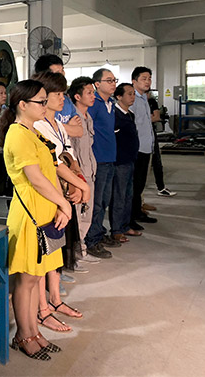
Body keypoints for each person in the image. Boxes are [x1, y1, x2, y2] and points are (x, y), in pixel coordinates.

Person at [0, 79, 71, 360]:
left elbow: (51, 170)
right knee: (26, 281)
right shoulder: (17, 134)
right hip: (30, 214)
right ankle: (23, 335)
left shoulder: (33, 132)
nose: (45, 104)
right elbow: (36, 178)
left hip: (44, 212)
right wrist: (64, 203)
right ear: (22, 105)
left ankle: (34, 332)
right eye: (40, 101)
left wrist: (60, 204)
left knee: (36, 276)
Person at [31, 71, 89, 331]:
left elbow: (68, 156)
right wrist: (76, 186)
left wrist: (78, 180)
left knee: (56, 250)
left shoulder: (56, 125)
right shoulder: (37, 127)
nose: (62, 98)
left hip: (64, 193)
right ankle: (42, 308)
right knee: (45, 253)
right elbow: (51, 166)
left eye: (62, 93)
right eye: (57, 94)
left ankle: (55, 300)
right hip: (49, 197)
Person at [85, 68, 120, 259]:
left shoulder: (111, 103)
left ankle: (99, 232)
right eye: (109, 80)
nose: (113, 83)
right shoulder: (94, 104)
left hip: (110, 158)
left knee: (105, 200)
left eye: (114, 80)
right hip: (97, 159)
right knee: (96, 203)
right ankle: (91, 240)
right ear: (97, 84)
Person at [67, 77, 100, 264]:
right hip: (79, 174)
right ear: (77, 96)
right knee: (78, 215)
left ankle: (82, 250)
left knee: (87, 213)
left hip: (90, 171)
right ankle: (74, 255)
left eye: (93, 92)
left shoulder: (88, 118)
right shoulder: (74, 120)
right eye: (89, 92)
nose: (93, 96)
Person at [110, 83, 143, 242]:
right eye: (129, 94)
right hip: (119, 162)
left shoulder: (130, 114)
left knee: (128, 195)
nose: (132, 97)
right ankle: (116, 229)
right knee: (119, 196)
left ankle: (125, 225)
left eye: (133, 94)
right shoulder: (115, 115)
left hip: (130, 160)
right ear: (119, 96)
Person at [129, 67, 158, 226]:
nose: (148, 82)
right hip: (137, 148)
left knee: (140, 184)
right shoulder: (132, 99)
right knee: (134, 184)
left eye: (149, 78)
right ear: (134, 81)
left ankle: (138, 211)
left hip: (146, 147)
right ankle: (131, 216)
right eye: (144, 79)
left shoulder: (144, 98)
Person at [34, 54, 83, 138]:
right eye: (58, 73)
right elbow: (42, 128)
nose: (62, 74)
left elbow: (79, 131)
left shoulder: (66, 101)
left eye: (62, 70)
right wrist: (67, 126)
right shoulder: (36, 104)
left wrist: (57, 126)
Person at [148, 93, 177, 197]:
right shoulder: (135, 101)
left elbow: (156, 117)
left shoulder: (151, 102)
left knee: (156, 161)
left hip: (150, 134)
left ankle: (161, 187)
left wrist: (143, 118)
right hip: (137, 135)